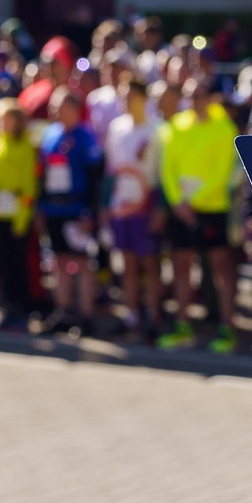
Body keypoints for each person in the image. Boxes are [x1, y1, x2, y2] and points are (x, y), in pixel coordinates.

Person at [157, 76, 239, 352]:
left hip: (212, 209)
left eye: (199, 95)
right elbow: (168, 168)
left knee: (221, 270)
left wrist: (194, 202)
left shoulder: (224, 127)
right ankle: (183, 327)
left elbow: (223, 171)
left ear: (210, 98)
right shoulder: (176, 126)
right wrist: (179, 202)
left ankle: (227, 329)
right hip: (183, 210)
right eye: (190, 96)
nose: (194, 101)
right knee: (181, 268)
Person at [33, 88, 104, 337]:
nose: (53, 111)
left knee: (83, 264)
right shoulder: (49, 135)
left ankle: (86, 316)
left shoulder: (86, 137)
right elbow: (41, 174)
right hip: (54, 208)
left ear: (73, 108)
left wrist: (90, 211)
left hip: (77, 209)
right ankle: (63, 312)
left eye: (59, 106)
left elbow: (96, 177)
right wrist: (41, 207)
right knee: (58, 261)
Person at [103, 79, 164, 340]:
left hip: (147, 202)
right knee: (127, 261)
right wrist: (106, 206)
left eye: (130, 96)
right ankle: (132, 315)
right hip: (122, 203)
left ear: (142, 98)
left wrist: (161, 209)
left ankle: (155, 316)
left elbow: (162, 173)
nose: (125, 102)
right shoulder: (117, 128)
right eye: (122, 97)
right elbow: (110, 170)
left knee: (150, 263)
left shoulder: (157, 129)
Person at [0, 96, 39, 330]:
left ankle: (21, 310)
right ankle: (7, 309)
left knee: (18, 266)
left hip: (17, 215)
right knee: (3, 265)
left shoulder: (26, 147)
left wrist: (21, 220)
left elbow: (28, 187)